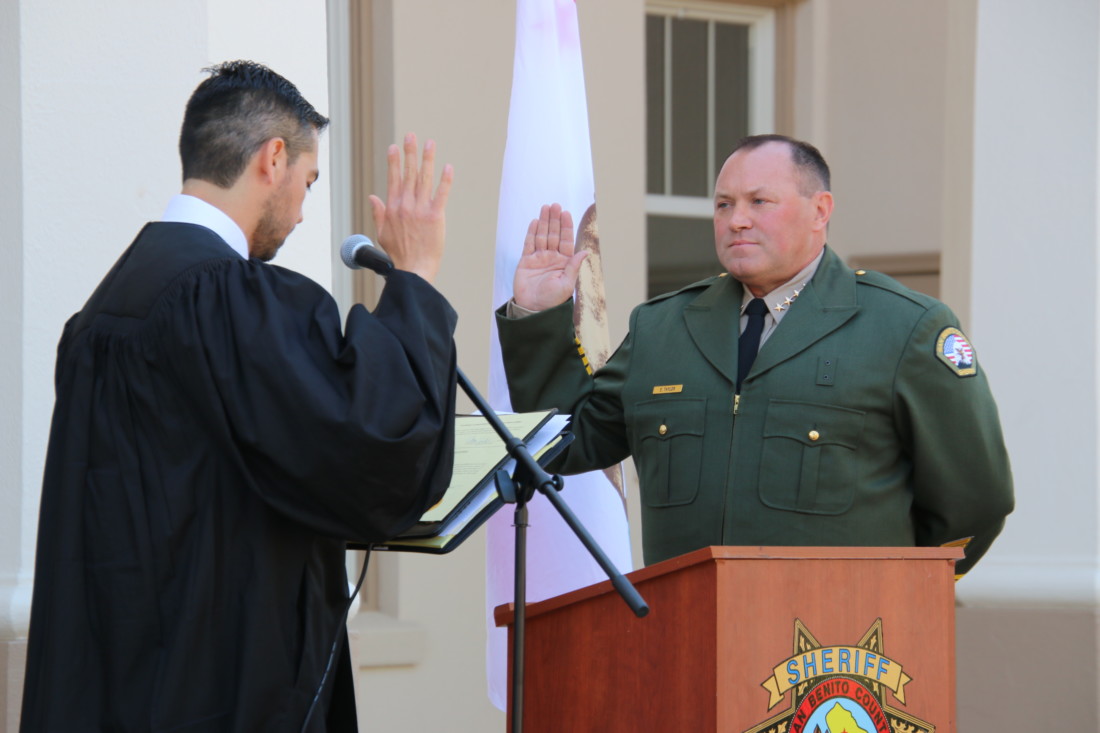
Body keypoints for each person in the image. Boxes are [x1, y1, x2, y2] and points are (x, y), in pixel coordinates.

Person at [20, 60, 457, 732]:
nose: (305, 210)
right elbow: (378, 442)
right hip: (218, 693)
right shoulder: (233, 302)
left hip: (116, 692)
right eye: (308, 182)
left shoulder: (99, 317)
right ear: (273, 159)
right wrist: (417, 281)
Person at [496, 134, 1013, 577]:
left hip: (832, 655)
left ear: (820, 211)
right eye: (723, 205)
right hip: (687, 638)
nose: (736, 220)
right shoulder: (664, 327)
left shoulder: (903, 328)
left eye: (759, 202)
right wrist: (539, 316)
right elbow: (568, 441)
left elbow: (974, 503)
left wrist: (894, 590)